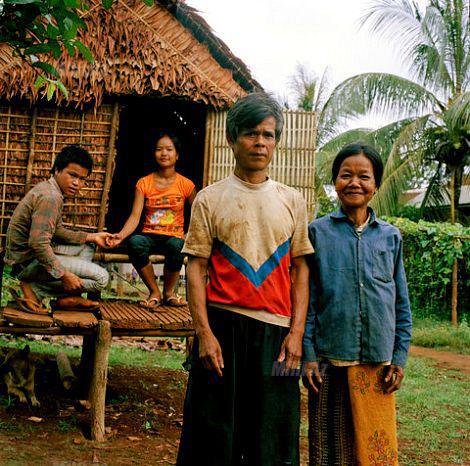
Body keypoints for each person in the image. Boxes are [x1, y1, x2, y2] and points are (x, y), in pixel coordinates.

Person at [177, 93, 313, 466]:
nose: (260, 142)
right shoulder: (209, 199)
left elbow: (301, 269)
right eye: (251, 134)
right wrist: (204, 334)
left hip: (278, 334)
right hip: (222, 329)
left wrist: (297, 334)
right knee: (211, 437)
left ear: (276, 142)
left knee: (273, 438)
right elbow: (196, 268)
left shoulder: (292, 201)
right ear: (232, 139)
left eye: (268, 135)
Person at [302, 143, 412, 465]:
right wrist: (308, 355)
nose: (354, 182)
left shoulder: (390, 237)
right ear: (335, 181)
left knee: (372, 447)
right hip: (328, 358)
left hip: (376, 361)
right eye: (345, 175)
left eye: (364, 176)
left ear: (375, 184)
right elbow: (308, 300)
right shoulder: (317, 232)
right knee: (328, 449)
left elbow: (401, 304)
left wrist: (399, 357)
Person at [5, 145, 111, 314]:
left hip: (29, 258)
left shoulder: (51, 190)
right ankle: (35, 290)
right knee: (102, 279)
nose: (77, 183)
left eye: (83, 179)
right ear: (57, 170)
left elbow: (58, 231)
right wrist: (64, 275)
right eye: (73, 175)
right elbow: (38, 244)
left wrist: (93, 236)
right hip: (26, 263)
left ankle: (62, 297)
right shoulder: (51, 197)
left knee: (88, 245)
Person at [107, 130, 196, 309]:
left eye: (169, 149)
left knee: (177, 246)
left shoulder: (186, 184)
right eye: (159, 149)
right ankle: (154, 292)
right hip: (150, 235)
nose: (164, 153)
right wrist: (120, 236)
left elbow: (199, 214)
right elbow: (135, 216)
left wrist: (189, 235)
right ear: (154, 154)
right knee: (135, 243)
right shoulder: (143, 183)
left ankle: (169, 293)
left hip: (174, 237)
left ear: (177, 155)